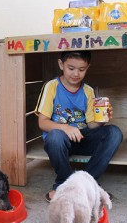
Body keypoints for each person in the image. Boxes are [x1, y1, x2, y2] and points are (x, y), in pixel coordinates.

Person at [35, 50, 122, 202]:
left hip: (82, 137)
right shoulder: (52, 86)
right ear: (61, 64)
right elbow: (42, 122)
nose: (76, 74)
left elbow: (91, 125)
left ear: (87, 67)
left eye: (81, 70)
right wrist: (65, 128)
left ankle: (87, 182)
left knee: (114, 132)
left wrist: (102, 120)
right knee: (55, 136)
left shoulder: (88, 91)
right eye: (71, 68)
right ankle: (64, 183)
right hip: (61, 141)